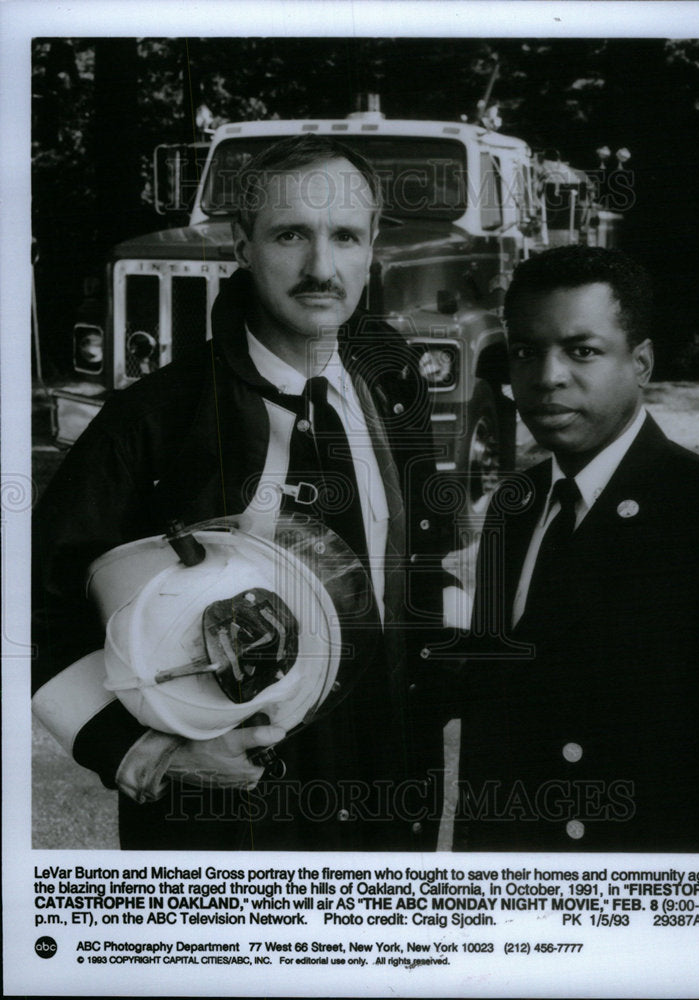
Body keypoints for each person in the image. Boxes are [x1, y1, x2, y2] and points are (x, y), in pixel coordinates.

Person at [32, 134, 453, 851]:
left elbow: (424, 571)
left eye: (344, 236)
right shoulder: (154, 418)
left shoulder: (393, 385)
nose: (322, 267)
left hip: (387, 799)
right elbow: (32, 607)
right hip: (233, 821)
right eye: (291, 234)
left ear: (372, 244)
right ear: (241, 243)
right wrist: (148, 753)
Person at [455, 245, 699, 852]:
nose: (548, 375)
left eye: (582, 350)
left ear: (642, 362)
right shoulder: (516, 504)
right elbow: (495, 721)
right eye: (527, 352)